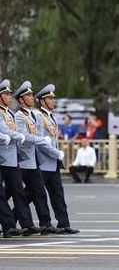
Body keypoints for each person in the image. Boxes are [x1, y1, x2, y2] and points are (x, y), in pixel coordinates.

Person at [13, 81, 61, 234]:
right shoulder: (19, 116)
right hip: (22, 159)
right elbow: (25, 137)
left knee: (38, 192)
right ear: (21, 100)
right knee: (14, 193)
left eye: (32, 95)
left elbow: (38, 134)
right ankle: (11, 222)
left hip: (34, 160)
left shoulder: (33, 115)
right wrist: (42, 140)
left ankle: (44, 223)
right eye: (28, 95)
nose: (32, 97)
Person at [33, 83, 79, 234]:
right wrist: (56, 153)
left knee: (58, 194)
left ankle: (64, 224)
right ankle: (12, 220)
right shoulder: (38, 117)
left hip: (52, 163)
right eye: (50, 99)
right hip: (43, 162)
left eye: (53, 98)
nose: (53, 101)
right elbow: (40, 141)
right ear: (42, 101)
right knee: (31, 195)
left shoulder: (51, 116)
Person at [0, 79, 40, 237]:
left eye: (9, 94)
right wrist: (17, 135)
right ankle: (8, 226)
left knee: (18, 192)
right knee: (1, 194)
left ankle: (27, 224)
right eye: (6, 94)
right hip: (1, 158)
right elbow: (4, 130)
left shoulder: (9, 113)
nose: (9, 97)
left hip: (11, 158)